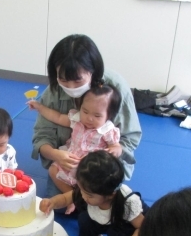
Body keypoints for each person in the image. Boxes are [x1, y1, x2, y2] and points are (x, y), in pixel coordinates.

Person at [31, 34, 141, 197]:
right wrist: (56, 155)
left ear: (93, 71)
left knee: (101, 202)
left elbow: (129, 138)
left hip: (99, 168)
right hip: (69, 165)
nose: (70, 87)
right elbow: (43, 133)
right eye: (63, 80)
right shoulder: (54, 92)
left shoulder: (115, 89)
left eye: (77, 81)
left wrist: (111, 155)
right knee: (59, 202)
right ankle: (76, 197)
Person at [40, 151, 147, 236]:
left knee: (118, 232)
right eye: (81, 190)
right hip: (103, 218)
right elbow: (65, 198)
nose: (84, 196)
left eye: (89, 195)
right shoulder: (88, 190)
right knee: (84, 219)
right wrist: (52, 202)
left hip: (125, 224)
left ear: (109, 195)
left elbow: (144, 228)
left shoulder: (127, 204)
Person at [29, 83, 122, 213]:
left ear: (109, 115)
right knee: (53, 169)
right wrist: (39, 107)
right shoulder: (77, 119)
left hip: (89, 169)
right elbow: (57, 117)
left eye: (97, 116)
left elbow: (116, 146)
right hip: (71, 161)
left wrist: (114, 151)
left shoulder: (107, 130)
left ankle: (78, 198)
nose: (89, 118)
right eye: (85, 111)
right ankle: (72, 196)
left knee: (93, 190)